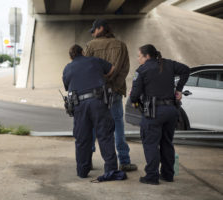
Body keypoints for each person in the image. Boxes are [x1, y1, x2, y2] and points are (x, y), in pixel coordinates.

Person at [130, 44, 190, 185]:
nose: (138, 59)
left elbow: (134, 97)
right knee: (167, 143)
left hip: (153, 113)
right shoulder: (168, 64)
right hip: (171, 111)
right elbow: (186, 70)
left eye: (139, 56)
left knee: (151, 144)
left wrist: (136, 98)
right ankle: (168, 175)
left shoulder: (142, 70)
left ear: (147, 56)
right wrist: (179, 89)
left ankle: (151, 176)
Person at [85, 19, 137, 172]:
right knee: (117, 126)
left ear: (101, 28)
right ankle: (124, 161)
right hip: (114, 92)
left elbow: (86, 68)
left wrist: (97, 85)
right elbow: (124, 69)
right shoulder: (120, 45)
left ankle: (87, 160)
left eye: (93, 30)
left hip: (95, 92)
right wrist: (113, 87)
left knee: (93, 126)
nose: (93, 33)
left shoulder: (90, 46)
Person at [62, 44, 117, 178]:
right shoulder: (94, 60)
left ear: (71, 57)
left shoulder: (68, 68)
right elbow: (112, 68)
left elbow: (67, 85)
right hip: (98, 101)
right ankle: (111, 171)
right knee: (105, 135)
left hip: (79, 105)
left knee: (82, 139)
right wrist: (102, 76)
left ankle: (82, 171)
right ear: (83, 52)